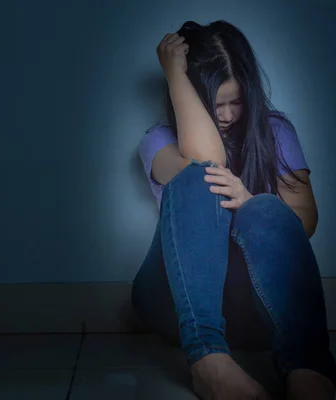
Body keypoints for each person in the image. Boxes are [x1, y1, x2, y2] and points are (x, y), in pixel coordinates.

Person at [131, 20, 336, 400]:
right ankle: (208, 361)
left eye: (235, 101)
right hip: (173, 303)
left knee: (269, 210)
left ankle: (310, 369)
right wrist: (176, 73)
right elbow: (207, 160)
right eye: (214, 104)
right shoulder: (158, 141)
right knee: (198, 176)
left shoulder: (275, 131)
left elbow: (305, 220)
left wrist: (251, 203)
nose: (225, 115)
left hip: (256, 308)